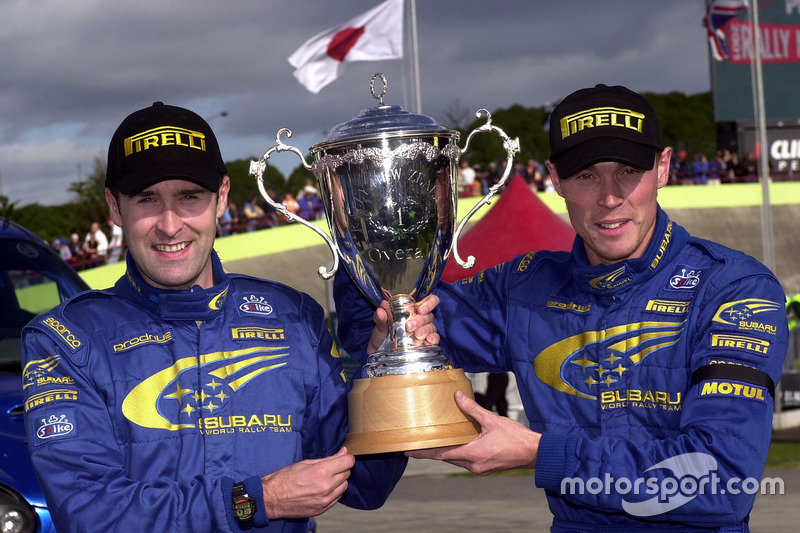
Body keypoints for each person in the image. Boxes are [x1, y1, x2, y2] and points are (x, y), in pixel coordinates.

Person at [334, 85, 788, 531]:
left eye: (629, 170)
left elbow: (722, 481)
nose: (610, 197)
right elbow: (379, 327)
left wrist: (540, 452)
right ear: (555, 179)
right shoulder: (522, 286)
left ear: (663, 168)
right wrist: (366, 218)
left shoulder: (732, 288)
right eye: (587, 175)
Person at [21, 102, 428, 532]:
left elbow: (364, 484)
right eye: (146, 200)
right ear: (115, 208)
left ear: (222, 198)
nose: (170, 224)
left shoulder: (294, 317)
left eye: (189, 197)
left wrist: (387, 367)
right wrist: (255, 500)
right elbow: (90, 513)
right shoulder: (65, 340)